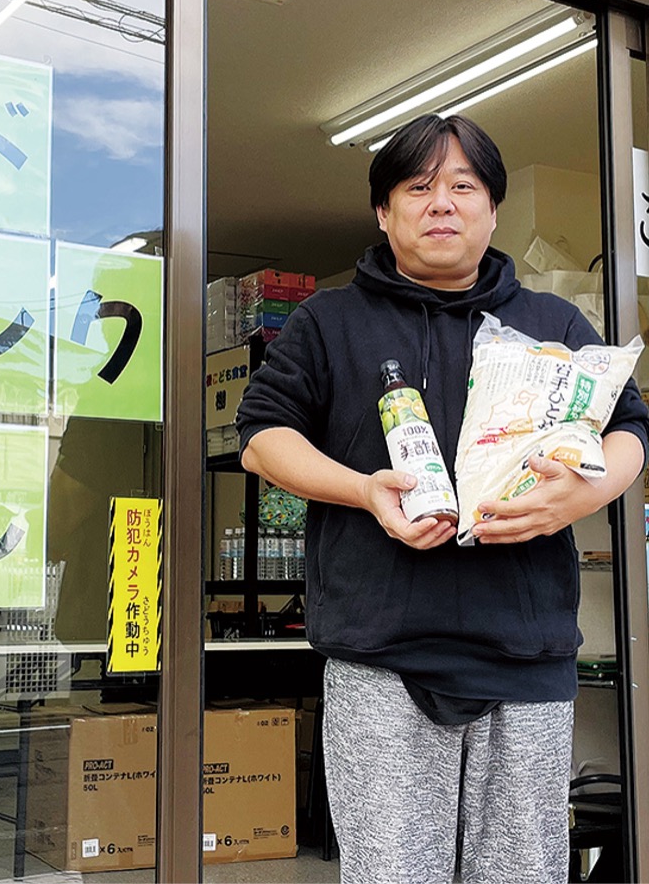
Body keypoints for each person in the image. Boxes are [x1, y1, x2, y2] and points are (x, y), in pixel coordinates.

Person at [235, 113, 649, 884]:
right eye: (418, 186)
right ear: (383, 212)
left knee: (522, 872)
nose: (442, 203)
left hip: (525, 655)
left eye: (464, 186)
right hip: (381, 656)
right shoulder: (330, 321)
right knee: (394, 873)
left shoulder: (550, 323)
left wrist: (576, 496)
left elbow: (630, 428)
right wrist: (363, 490)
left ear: (492, 209)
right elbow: (260, 435)